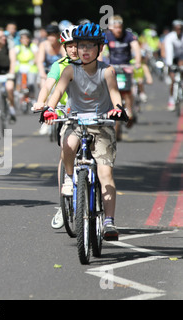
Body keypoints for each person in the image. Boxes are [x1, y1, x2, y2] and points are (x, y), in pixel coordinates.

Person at [40, 22, 124, 241]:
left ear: (100, 48)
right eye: (81, 45)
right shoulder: (70, 69)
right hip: (75, 122)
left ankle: (109, 221)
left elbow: (115, 95)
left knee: (105, 172)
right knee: (67, 146)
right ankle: (69, 178)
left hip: (102, 124)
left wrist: (118, 109)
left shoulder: (107, 71)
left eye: (90, 46)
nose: (85, 50)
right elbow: (57, 92)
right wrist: (49, 109)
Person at [32, 25, 79, 229]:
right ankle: (64, 203)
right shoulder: (59, 65)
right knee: (65, 150)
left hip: (90, 115)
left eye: (77, 45)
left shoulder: (94, 65)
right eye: (69, 46)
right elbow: (48, 85)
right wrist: (41, 102)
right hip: (68, 114)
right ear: (64, 47)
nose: (74, 49)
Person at [105, 15, 142, 128]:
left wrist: (137, 62)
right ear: (111, 28)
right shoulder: (107, 35)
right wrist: (100, 61)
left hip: (126, 66)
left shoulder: (129, 35)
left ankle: (129, 111)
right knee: (110, 88)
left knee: (128, 90)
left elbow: (136, 48)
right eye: (116, 27)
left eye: (120, 27)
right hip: (113, 66)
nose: (118, 30)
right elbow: (100, 49)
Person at [36, 24, 65, 88]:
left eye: (53, 35)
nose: (51, 38)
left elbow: (65, 59)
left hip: (59, 72)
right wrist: (43, 74)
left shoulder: (62, 45)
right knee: (43, 83)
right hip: (47, 71)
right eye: (49, 35)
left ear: (58, 36)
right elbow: (39, 62)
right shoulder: (43, 45)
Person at [163, 19, 183, 111]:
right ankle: (171, 99)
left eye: (180, 29)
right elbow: (169, 51)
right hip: (173, 58)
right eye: (177, 28)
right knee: (173, 79)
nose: (179, 30)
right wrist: (170, 64)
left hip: (181, 57)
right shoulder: (170, 37)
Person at [14, 29, 38, 104]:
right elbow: (14, 57)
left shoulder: (33, 46)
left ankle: (32, 96)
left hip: (30, 66)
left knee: (31, 83)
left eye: (26, 38)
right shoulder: (18, 47)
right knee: (18, 80)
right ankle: (19, 93)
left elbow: (36, 56)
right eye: (23, 38)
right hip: (20, 66)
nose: (25, 40)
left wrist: (34, 61)